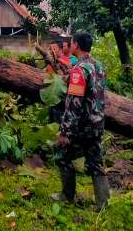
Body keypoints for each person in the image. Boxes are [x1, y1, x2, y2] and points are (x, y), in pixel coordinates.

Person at [53, 32, 110, 210]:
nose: (70, 45)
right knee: (96, 161)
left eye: (71, 42)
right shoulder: (98, 66)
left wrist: (65, 131)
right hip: (97, 123)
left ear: (76, 45)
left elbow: (74, 104)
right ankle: (103, 203)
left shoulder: (80, 70)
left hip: (82, 126)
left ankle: (67, 195)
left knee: (61, 153)